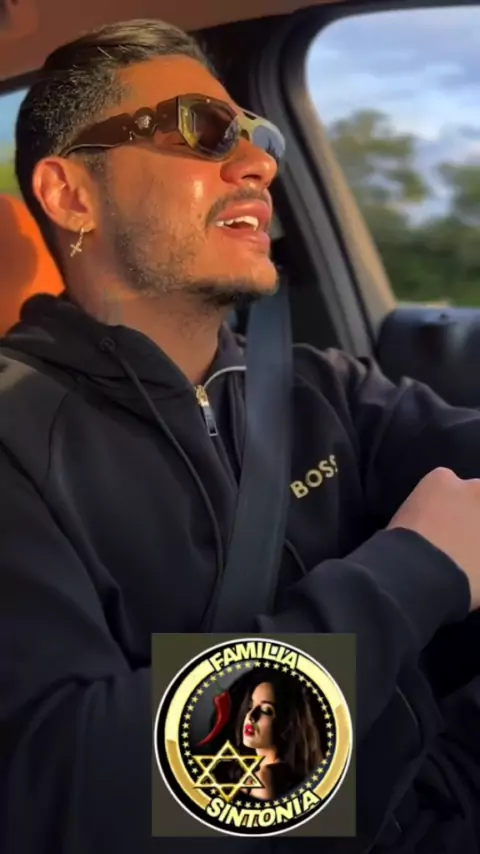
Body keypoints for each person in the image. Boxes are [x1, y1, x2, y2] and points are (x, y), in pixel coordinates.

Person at [0, 15, 479, 854]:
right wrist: (414, 573)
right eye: (202, 128)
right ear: (72, 195)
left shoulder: (318, 384)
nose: (259, 163)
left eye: (257, 136)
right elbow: (85, 797)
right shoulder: (17, 442)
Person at [234, 671, 324, 801]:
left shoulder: (265, 777)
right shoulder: (272, 772)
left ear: (286, 725)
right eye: (250, 706)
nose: (251, 716)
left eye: (266, 710)